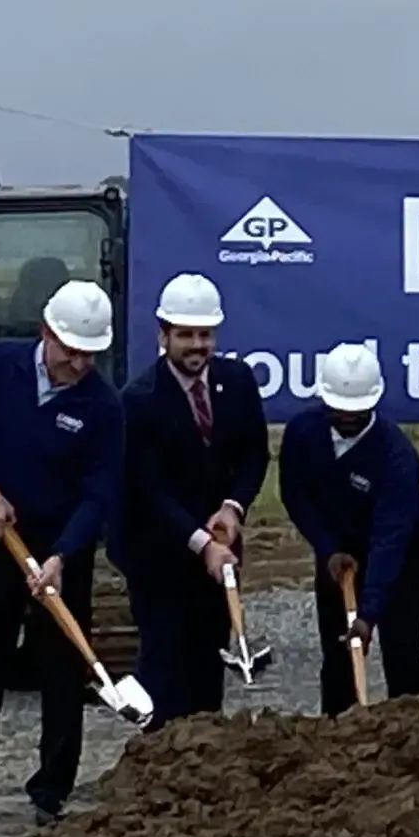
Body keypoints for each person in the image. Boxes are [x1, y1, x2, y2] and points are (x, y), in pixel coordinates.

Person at [0, 279, 124, 826]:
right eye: (70, 352)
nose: (79, 365)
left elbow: (99, 492)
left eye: (90, 355)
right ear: (46, 333)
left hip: (61, 545)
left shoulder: (102, 406)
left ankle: (51, 787)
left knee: (61, 666)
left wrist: (63, 555)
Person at [116, 273, 271, 728]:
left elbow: (253, 454)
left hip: (218, 552)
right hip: (158, 553)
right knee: (164, 668)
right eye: (185, 334)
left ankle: (203, 762)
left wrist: (233, 507)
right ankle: (158, 759)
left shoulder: (237, 382)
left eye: (205, 334)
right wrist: (202, 543)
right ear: (163, 335)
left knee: (207, 661)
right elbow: (147, 490)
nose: (196, 345)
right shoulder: (139, 401)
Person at [278, 343, 419, 715]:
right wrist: (327, 548)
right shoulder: (303, 433)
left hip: (401, 554)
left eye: (356, 411)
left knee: (400, 647)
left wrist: (368, 615)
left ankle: (408, 729)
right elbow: (295, 495)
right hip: (337, 550)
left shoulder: (396, 457)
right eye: (340, 410)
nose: (347, 418)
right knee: (337, 653)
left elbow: (389, 540)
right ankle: (338, 733)